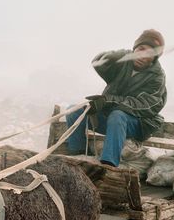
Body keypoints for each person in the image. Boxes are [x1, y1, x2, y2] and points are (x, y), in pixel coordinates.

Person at [65, 29, 167, 168]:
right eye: (141, 49)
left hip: (138, 124)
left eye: (149, 53)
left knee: (118, 115)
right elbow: (98, 62)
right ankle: (78, 157)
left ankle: (108, 166)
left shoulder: (157, 77)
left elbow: (146, 105)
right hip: (113, 120)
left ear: (154, 58)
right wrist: (120, 54)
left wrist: (108, 100)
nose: (143, 55)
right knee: (74, 111)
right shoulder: (124, 63)